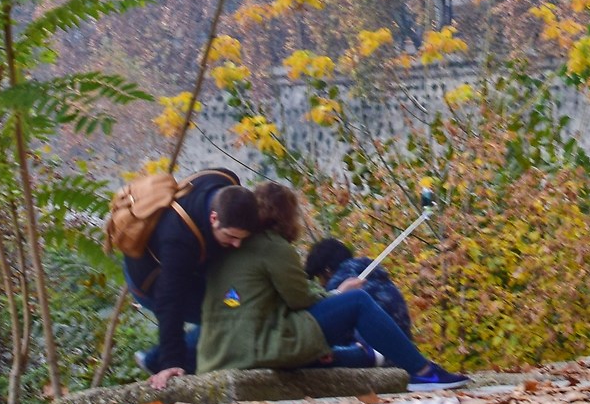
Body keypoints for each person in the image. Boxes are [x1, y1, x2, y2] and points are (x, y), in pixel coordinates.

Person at [152, 182, 466, 392]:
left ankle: (377, 359)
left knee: (319, 334)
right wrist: (336, 294)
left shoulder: (222, 246)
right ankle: (422, 372)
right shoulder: (272, 246)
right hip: (254, 347)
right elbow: (298, 298)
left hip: (215, 353)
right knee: (357, 302)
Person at [122, 166, 240, 376]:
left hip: (192, 270)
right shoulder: (179, 239)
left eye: (242, 237)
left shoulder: (225, 181)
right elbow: (169, 300)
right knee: (228, 311)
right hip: (149, 281)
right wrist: (171, 361)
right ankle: (159, 361)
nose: (237, 244)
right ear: (214, 219)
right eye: (231, 237)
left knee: (235, 303)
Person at [304, 235, 413, 337]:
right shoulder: (378, 276)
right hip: (404, 344)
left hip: (372, 351)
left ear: (327, 271)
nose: (321, 285)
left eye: (319, 278)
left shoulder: (338, 287)